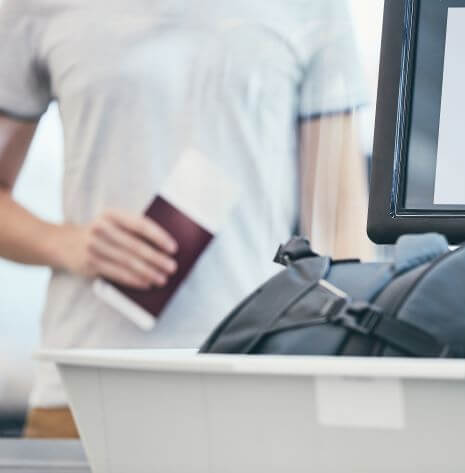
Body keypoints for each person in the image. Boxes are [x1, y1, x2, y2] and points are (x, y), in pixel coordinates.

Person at [0, 0, 371, 438]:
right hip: (85, 390)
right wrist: (68, 244)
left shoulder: (315, 8)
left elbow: (340, 228)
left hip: (254, 385)